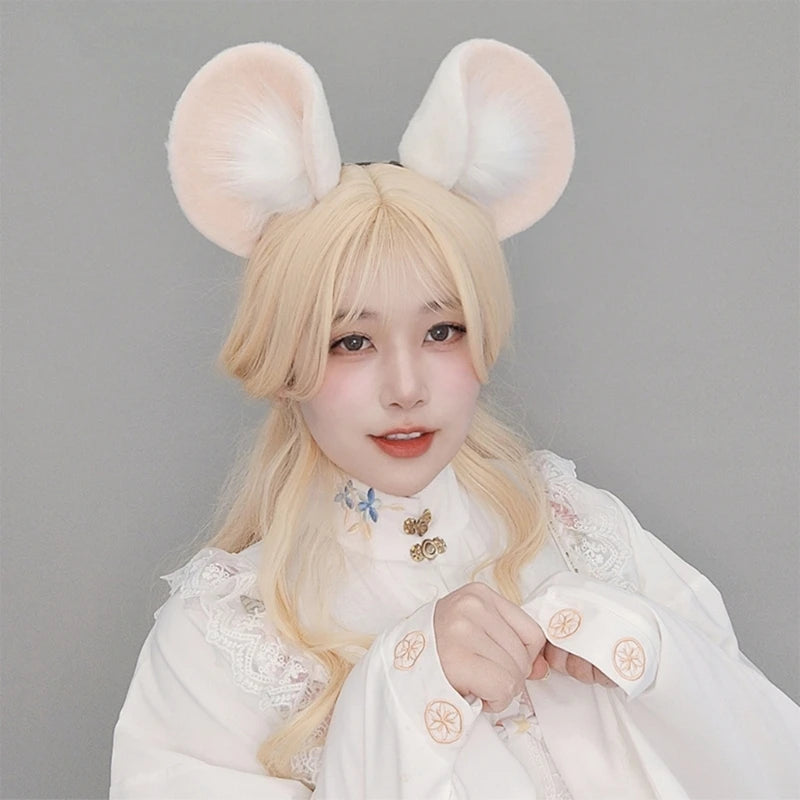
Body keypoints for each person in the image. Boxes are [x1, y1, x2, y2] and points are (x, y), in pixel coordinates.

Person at [110, 39, 800, 799]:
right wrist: (406, 684)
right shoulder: (227, 637)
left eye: (442, 331)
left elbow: (772, 765)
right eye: (351, 342)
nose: (406, 388)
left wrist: (657, 655)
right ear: (285, 359)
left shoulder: (579, 531)